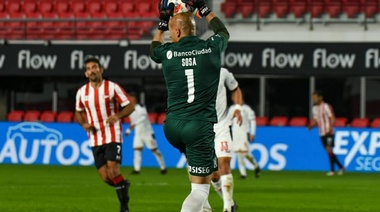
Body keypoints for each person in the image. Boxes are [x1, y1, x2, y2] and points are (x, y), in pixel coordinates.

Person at [150, 0, 230, 211]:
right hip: (198, 127)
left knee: (203, 169)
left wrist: (162, 22)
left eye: (169, 31)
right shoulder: (210, 48)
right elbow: (223, 32)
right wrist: (205, 11)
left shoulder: (168, 53)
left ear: (176, 32)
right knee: (200, 190)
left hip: (172, 126)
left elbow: (154, 48)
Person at [75, 57, 135, 212]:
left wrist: (118, 116)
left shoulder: (112, 87)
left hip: (112, 134)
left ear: (101, 70)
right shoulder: (82, 92)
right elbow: (78, 112)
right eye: (88, 69)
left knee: (113, 169)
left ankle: (124, 207)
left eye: (94, 67)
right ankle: (123, 184)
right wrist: (84, 124)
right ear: (86, 74)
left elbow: (130, 106)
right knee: (106, 177)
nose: (92, 70)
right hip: (95, 138)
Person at [124, 92, 167, 175]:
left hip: (147, 132)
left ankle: (163, 167)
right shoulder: (129, 109)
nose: (130, 99)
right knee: (137, 150)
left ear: (135, 98)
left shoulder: (140, 106)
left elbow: (143, 117)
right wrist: (130, 130)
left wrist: (130, 128)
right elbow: (133, 121)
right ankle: (137, 169)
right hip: (138, 133)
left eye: (131, 97)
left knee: (155, 150)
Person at [308, 90, 345, 176]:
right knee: (329, 151)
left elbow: (332, 117)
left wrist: (331, 128)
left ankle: (332, 170)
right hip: (321, 133)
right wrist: (311, 126)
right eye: (313, 98)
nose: (314, 99)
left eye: (316, 97)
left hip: (329, 132)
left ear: (320, 97)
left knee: (329, 149)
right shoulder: (315, 108)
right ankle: (341, 167)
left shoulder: (326, 106)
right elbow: (317, 120)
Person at [228, 102, 261, 179]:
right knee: (238, 153)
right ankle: (244, 173)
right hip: (235, 133)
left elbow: (252, 121)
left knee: (243, 153)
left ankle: (254, 166)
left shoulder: (247, 109)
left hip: (244, 133)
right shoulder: (232, 108)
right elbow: (228, 120)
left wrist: (252, 132)